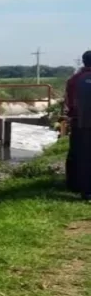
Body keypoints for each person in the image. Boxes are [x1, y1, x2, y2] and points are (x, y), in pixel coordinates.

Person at [65, 50, 91, 199]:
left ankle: (80, 188)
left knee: (81, 155)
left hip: (79, 123)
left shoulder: (74, 79)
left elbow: (69, 102)